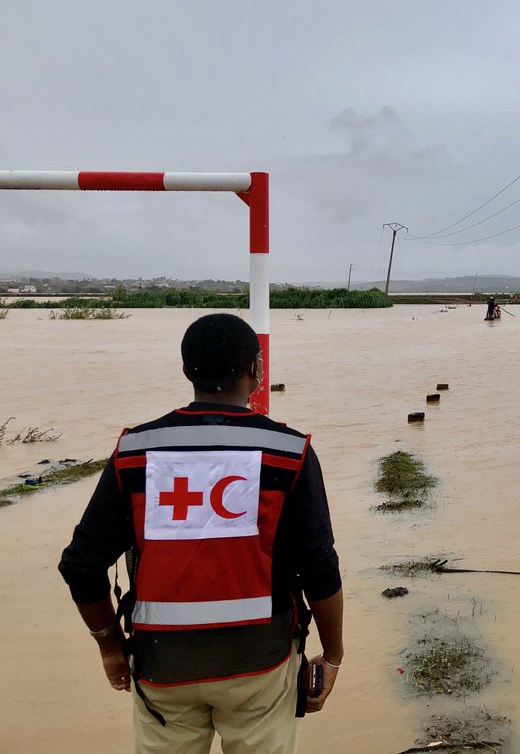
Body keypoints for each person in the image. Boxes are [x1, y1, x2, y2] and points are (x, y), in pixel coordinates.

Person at [58, 313, 343, 754]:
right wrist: (334, 654)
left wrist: (109, 646)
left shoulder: (134, 451)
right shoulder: (290, 453)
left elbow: (80, 565)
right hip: (261, 665)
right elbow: (320, 567)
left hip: (161, 665)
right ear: (257, 370)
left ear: (186, 370)